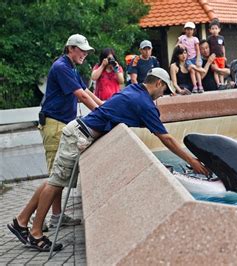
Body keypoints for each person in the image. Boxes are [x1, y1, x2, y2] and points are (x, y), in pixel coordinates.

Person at [7, 68, 209, 252]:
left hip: (77, 132)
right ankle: (35, 233)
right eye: (165, 90)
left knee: (54, 180)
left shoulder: (133, 90)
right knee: (56, 183)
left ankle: (21, 221)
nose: (163, 94)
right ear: (158, 83)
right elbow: (166, 138)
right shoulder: (143, 103)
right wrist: (192, 161)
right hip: (79, 136)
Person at [28, 34, 103, 234]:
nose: (85, 54)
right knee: (55, 176)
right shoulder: (61, 67)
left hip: (61, 123)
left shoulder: (70, 67)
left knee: (59, 174)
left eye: (87, 50)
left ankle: (56, 216)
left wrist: (103, 106)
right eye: (82, 50)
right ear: (70, 48)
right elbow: (80, 96)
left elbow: (86, 90)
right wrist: (101, 113)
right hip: (54, 125)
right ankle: (36, 219)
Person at [178, 22, 204, 93]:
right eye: (187, 29)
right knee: (192, 71)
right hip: (187, 59)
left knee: (197, 71)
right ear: (185, 30)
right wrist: (179, 45)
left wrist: (198, 59)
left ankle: (200, 86)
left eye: (191, 29)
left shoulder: (195, 39)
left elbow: (197, 50)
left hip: (195, 57)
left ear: (193, 30)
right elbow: (177, 45)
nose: (189, 31)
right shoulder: (182, 38)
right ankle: (195, 86)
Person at [207, 18, 226, 89]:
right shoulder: (209, 38)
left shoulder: (222, 38)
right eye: (212, 28)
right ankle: (218, 84)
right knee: (215, 71)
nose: (214, 30)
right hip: (214, 58)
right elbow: (208, 48)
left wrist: (224, 56)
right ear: (210, 30)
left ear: (219, 29)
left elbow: (223, 47)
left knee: (221, 71)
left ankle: (222, 83)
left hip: (221, 57)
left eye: (216, 28)